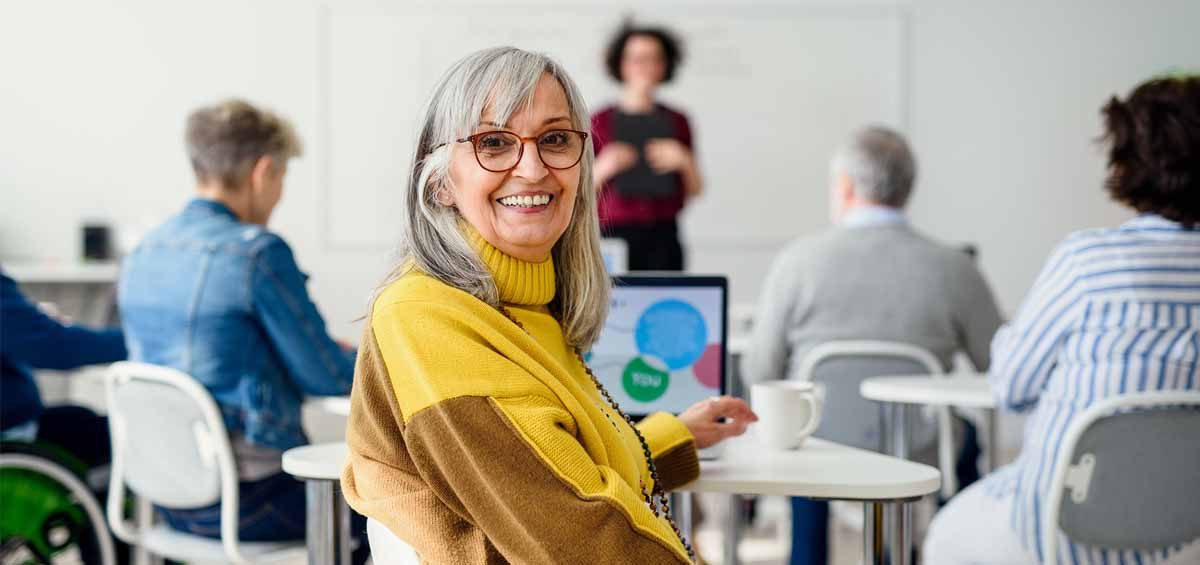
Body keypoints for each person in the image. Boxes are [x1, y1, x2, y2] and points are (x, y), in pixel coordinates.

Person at [341, 47, 757, 563]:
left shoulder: (530, 307)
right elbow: (579, 528)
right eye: (494, 143)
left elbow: (556, 468)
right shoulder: (425, 315)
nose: (533, 168)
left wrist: (674, 436)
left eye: (556, 139)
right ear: (441, 181)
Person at [923, 76, 1200, 565]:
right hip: (1186, 542)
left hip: (1060, 537)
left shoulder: (1086, 262)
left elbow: (1010, 386)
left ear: (1127, 161)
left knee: (945, 531)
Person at [117, 99, 365, 562]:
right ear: (263, 171)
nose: (278, 196)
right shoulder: (257, 253)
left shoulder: (144, 251)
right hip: (250, 502)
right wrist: (377, 359)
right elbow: (327, 377)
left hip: (165, 498)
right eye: (282, 180)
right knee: (399, 507)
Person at [743, 126, 1004, 565]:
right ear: (908, 188)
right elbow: (997, 365)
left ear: (843, 188)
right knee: (967, 439)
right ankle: (944, 548)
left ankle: (807, 556)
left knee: (799, 449)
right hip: (921, 446)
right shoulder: (955, 268)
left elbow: (761, 371)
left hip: (820, 442)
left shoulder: (798, 262)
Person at [592, 23, 702, 271]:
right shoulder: (598, 121)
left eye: (654, 59)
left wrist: (684, 160)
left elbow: (697, 189)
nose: (646, 67)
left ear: (665, 65)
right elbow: (578, 192)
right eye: (637, 59)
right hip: (612, 236)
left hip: (664, 235)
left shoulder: (678, 120)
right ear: (621, 64)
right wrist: (604, 166)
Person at [1, 268, 126, 468]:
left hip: (16, 425)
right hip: (13, 437)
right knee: (127, 434)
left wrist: (29, 319)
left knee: (79, 416)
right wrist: (140, 343)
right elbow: (55, 348)